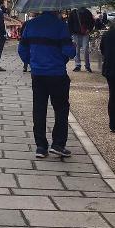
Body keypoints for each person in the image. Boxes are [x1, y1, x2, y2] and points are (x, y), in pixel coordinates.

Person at [18, 9, 76, 158]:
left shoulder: (30, 25)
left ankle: (41, 146)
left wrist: (32, 62)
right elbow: (69, 52)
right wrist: (71, 48)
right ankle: (58, 144)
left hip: (38, 74)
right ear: (56, 10)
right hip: (57, 74)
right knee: (61, 109)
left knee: (39, 108)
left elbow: (22, 49)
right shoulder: (61, 26)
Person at [68, 7, 94, 72]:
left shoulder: (87, 12)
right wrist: (72, 32)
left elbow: (92, 22)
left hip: (84, 33)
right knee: (77, 50)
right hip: (76, 33)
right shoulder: (73, 13)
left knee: (85, 49)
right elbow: (70, 23)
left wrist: (89, 29)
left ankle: (87, 65)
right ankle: (78, 65)